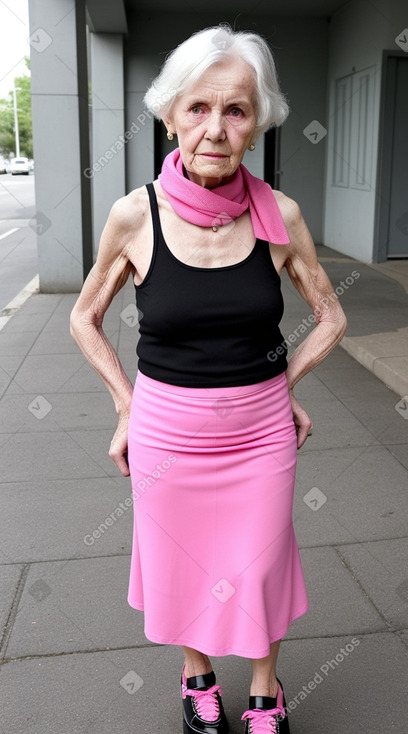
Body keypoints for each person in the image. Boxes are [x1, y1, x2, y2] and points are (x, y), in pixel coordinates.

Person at [70, 24, 347, 734]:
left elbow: (329, 316)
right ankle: (196, 678)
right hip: (167, 429)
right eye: (198, 108)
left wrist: (280, 388)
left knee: (260, 565)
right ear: (169, 115)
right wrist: (126, 406)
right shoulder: (134, 216)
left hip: (258, 431)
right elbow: (83, 318)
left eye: (235, 110)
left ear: (257, 125)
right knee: (182, 561)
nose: (215, 129)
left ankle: (264, 688)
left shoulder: (279, 216)